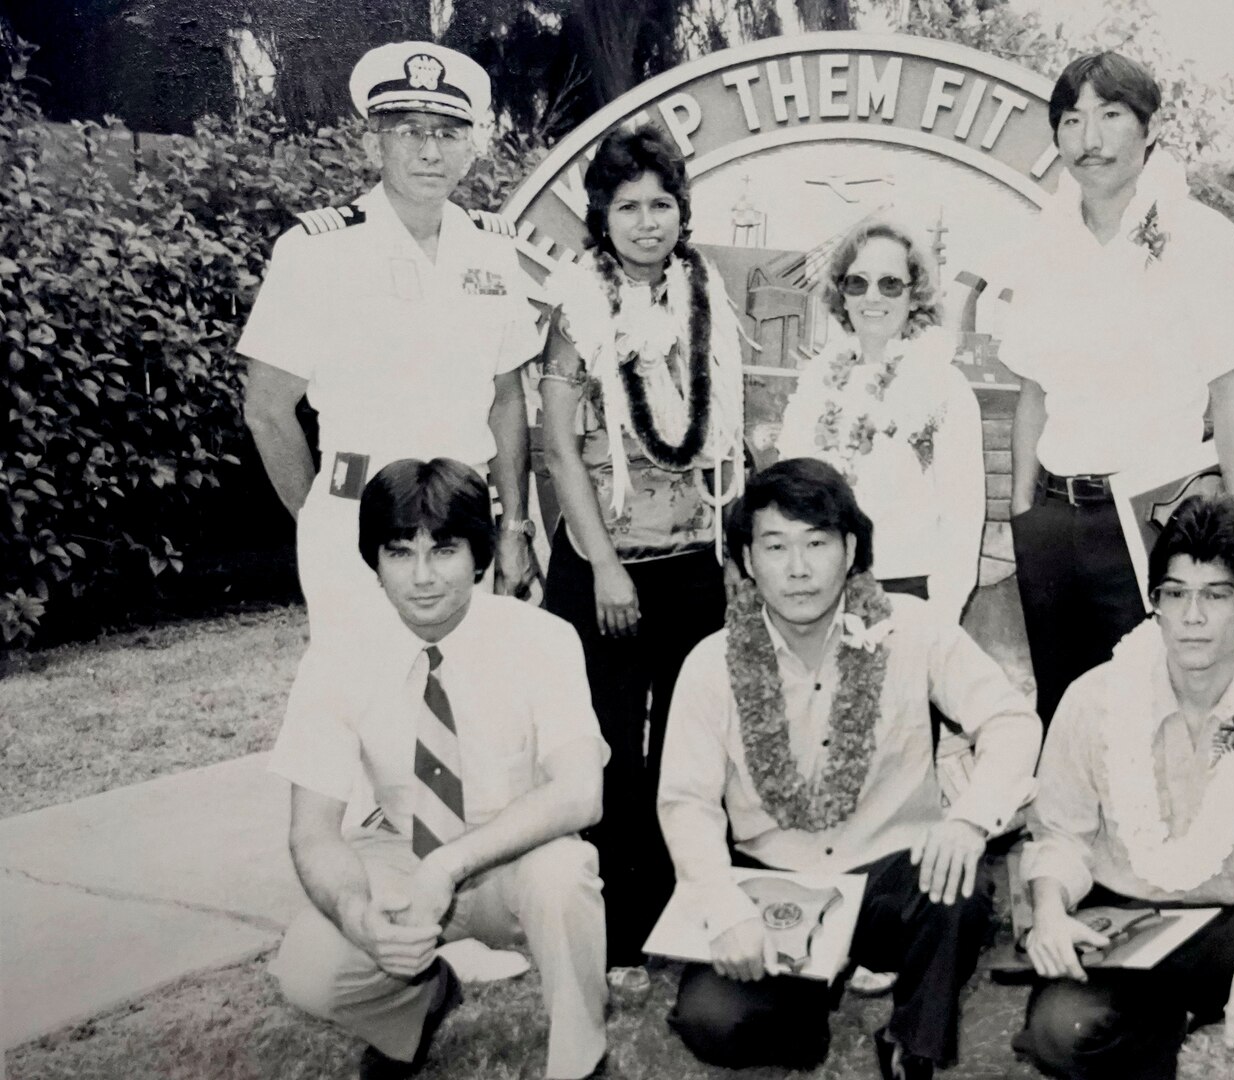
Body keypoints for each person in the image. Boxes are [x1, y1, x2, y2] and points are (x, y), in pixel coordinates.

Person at [657, 458, 1042, 1080]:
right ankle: (805, 1005)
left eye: (817, 543)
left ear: (851, 549)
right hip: (774, 881)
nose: (799, 568)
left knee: (957, 887)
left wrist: (970, 818)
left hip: (892, 876)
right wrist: (725, 909)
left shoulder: (911, 628)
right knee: (714, 1022)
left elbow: (1012, 721)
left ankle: (913, 1044)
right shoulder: (711, 663)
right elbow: (686, 803)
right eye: (776, 547)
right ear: (748, 562)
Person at [267, 458, 608, 1080]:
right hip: (402, 850)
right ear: (373, 560)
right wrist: (355, 914)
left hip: (516, 856)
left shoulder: (544, 638)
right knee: (308, 968)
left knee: (565, 876)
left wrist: (449, 864)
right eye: (400, 553)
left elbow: (581, 793)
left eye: (444, 550)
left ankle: (580, 1062)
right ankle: (422, 1000)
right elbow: (312, 829)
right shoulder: (337, 656)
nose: (422, 577)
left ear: (480, 555)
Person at [1013, 495, 1234, 1080]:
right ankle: (1151, 1030)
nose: (1192, 617)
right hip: (1125, 924)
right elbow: (1059, 834)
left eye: (1215, 594)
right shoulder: (1095, 699)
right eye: (1174, 594)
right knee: (1061, 1030)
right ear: (1154, 603)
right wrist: (1050, 912)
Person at [1001, 51, 1234, 724]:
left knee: (1160, 713)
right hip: (1055, 519)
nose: (1089, 140)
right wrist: (1022, 518)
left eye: (1111, 116)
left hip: (1156, 521)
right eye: (1071, 120)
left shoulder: (1201, 236)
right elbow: (1034, 393)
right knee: (1063, 716)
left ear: (1149, 129)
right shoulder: (1042, 242)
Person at [240, 41, 540, 643]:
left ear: (470, 147)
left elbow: (507, 399)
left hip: (465, 516)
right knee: (366, 705)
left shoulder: (492, 249)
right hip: (358, 508)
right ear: (372, 141)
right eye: (409, 130)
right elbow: (267, 411)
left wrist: (514, 529)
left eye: (449, 133)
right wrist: (322, 524)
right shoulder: (319, 250)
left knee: (475, 697)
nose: (430, 150)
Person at [536, 124, 746, 969]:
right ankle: (619, 936)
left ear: (681, 210)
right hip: (605, 566)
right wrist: (608, 569)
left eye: (662, 204)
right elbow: (558, 447)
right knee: (614, 750)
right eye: (628, 206)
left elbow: (723, 432)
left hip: (695, 562)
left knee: (691, 749)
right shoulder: (573, 300)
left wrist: (733, 550)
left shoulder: (706, 290)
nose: (647, 222)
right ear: (601, 213)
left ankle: (686, 914)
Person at [775, 218, 985, 623]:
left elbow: (962, 519)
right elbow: (789, 495)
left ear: (914, 294)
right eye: (858, 283)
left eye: (890, 284)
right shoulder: (816, 380)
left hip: (909, 597)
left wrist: (938, 623)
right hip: (820, 594)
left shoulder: (943, 384)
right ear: (843, 294)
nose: (873, 297)